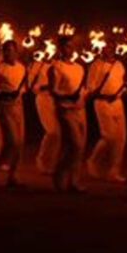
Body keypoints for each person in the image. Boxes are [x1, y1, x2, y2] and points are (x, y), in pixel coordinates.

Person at [49, 36, 88, 192]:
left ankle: (73, 182)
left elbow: (83, 89)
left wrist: (85, 94)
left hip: (80, 110)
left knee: (77, 147)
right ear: (60, 49)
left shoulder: (79, 68)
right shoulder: (56, 67)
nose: (69, 50)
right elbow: (53, 90)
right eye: (66, 47)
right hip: (65, 110)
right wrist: (66, 96)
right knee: (76, 146)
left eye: (71, 47)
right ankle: (58, 174)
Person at [85, 41, 127, 182]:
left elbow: (121, 83)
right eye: (106, 48)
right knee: (109, 137)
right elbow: (90, 85)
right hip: (102, 102)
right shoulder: (96, 65)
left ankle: (114, 171)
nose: (109, 50)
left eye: (112, 48)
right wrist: (97, 93)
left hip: (117, 103)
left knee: (121, 138)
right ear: (102, 49)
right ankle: (92, 161)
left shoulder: (119, 65)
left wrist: (123, 91)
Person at [0, 40, 26, 187]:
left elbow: (22, 89)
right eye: (6, 50)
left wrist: (18, 93)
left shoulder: (21, 68)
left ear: (16, 52)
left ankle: (12, 176)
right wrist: (5, 94)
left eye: (11, 50)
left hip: (18, 108)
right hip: (3, 107)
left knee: (20, 144)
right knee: (12, 141)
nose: (9, 53)